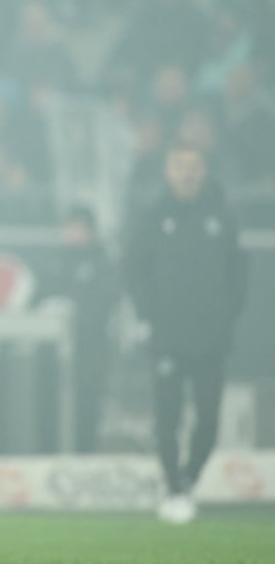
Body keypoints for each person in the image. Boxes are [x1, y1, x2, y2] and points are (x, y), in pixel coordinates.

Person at [123, 142, 248, 524]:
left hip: (211, 337)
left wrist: (226, 318)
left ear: (204, 170)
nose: (187, 172)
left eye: (194, 165)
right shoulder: (152, 217)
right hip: (167, 336)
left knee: (209, 417)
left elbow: (238, 274)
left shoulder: (221, 216)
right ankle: (173, 487)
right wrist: (147, 317)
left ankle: (189, 477)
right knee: (167, 417)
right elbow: (136, 271)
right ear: (167, 171)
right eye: (179, 165)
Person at [36, 205, 120, 453]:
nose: (73, 233)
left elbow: (106, 301)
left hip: (89, 348)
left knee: (86, 405)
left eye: (79, 227)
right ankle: (47, 452)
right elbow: (38, 296)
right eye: (69, 227)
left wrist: (77, 314)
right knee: (49, 404)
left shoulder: (102, 262)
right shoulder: (54, 261)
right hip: (53, 351)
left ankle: (84, 453)